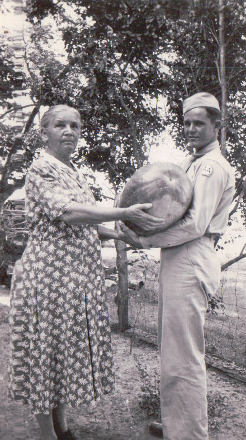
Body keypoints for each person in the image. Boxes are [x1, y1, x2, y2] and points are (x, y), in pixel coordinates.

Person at [8, 104, 165, 440]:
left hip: (73, 280)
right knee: (43, 356)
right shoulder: (41, 170)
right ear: (44, 132)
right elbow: (69, 214)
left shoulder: (72, 171)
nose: (69, 132)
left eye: (75, 126)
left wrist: (118, 232)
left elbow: (86, 224)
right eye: (61, 125)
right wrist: (121, 211)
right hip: (48, 279)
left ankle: (62, 429)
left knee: (61, 355)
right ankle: (47, 435)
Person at [119, 92, 235, 440]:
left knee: (184, 354)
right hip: (178, 257)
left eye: (199, 123)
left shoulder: (212, 166)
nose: (191, 128)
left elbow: (195, 224)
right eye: (186, 122)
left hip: (192, 255)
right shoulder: (192, 162)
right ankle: (176, 425)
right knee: (172, 350)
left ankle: (189, 435)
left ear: (217, 125)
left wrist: (143, 240)